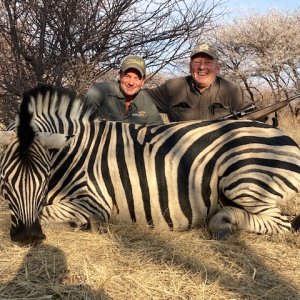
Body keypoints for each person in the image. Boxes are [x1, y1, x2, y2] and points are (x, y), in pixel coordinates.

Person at [145, 43, 254, 122]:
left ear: (218, 68)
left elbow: (254, 118)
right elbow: (139, 97)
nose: (202, 67)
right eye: (197, 62)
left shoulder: (233, 90)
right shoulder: (173, 88)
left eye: (208, 62)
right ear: (189, 67)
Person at [84, 55, 163, 125]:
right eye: (127, 76)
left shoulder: (146, 101)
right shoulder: (100, 91)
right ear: (120, 75)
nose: (131, 83)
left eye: (137, 78)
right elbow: (80, 117)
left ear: (142, 81)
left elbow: (160, 130)